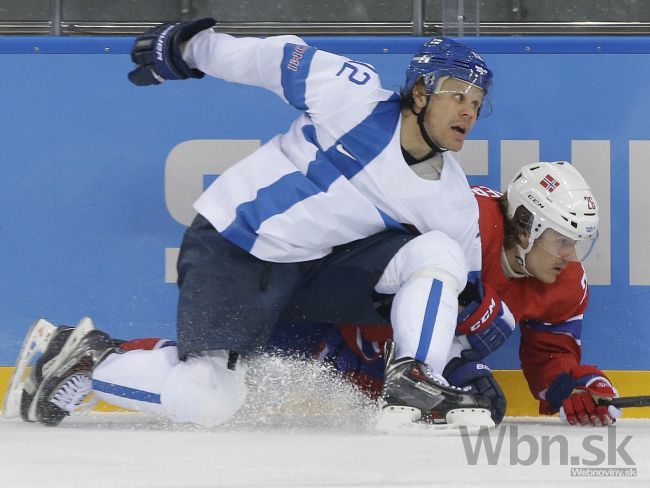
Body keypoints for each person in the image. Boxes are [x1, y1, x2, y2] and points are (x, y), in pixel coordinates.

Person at [3, 19, 502, 428]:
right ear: (420, 91)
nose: (468, 111)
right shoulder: (352, 92)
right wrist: (189, 48)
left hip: (315, 271)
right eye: (458, 94)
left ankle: (415, 381)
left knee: (441, 254)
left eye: (477, 103)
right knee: (209, 401)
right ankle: (89, 358)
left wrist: (461, 366)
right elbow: (270, 59)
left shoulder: (452, 201)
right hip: (233, 245)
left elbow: (459, 297)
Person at [269, 161, 620, 427]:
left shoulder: (566, 281)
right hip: (328, 329)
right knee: (236, 390)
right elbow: (369, 268)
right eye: (562, 240)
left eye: (575, 243)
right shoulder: (461, 218)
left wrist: (571, 386)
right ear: (528, 225)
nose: (571, 256)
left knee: (484, 398)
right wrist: (468, 307)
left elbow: (550, 354)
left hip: (403, 375)